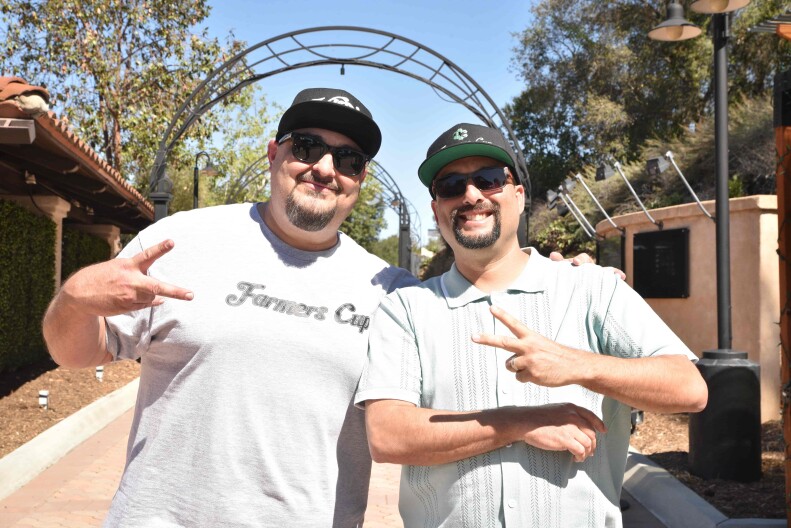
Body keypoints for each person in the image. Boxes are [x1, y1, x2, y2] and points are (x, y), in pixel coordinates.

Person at [42, 87, 420, 527]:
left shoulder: (390, 290)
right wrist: (72, 303)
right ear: (273, 153)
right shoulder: (179, 242)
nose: (324, 168)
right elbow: (78, 353)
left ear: (361, 179)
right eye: (306, 147)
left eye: (348, 159)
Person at [354, 123, 708, 528]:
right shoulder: (406, 309)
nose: (471, 195)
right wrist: (519, 422)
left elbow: (689, 388)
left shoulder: (591, 288)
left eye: (487, 180)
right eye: (451, 186)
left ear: (518, 196)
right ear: (437, 211)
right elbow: (387, 435)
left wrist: (578, 364)